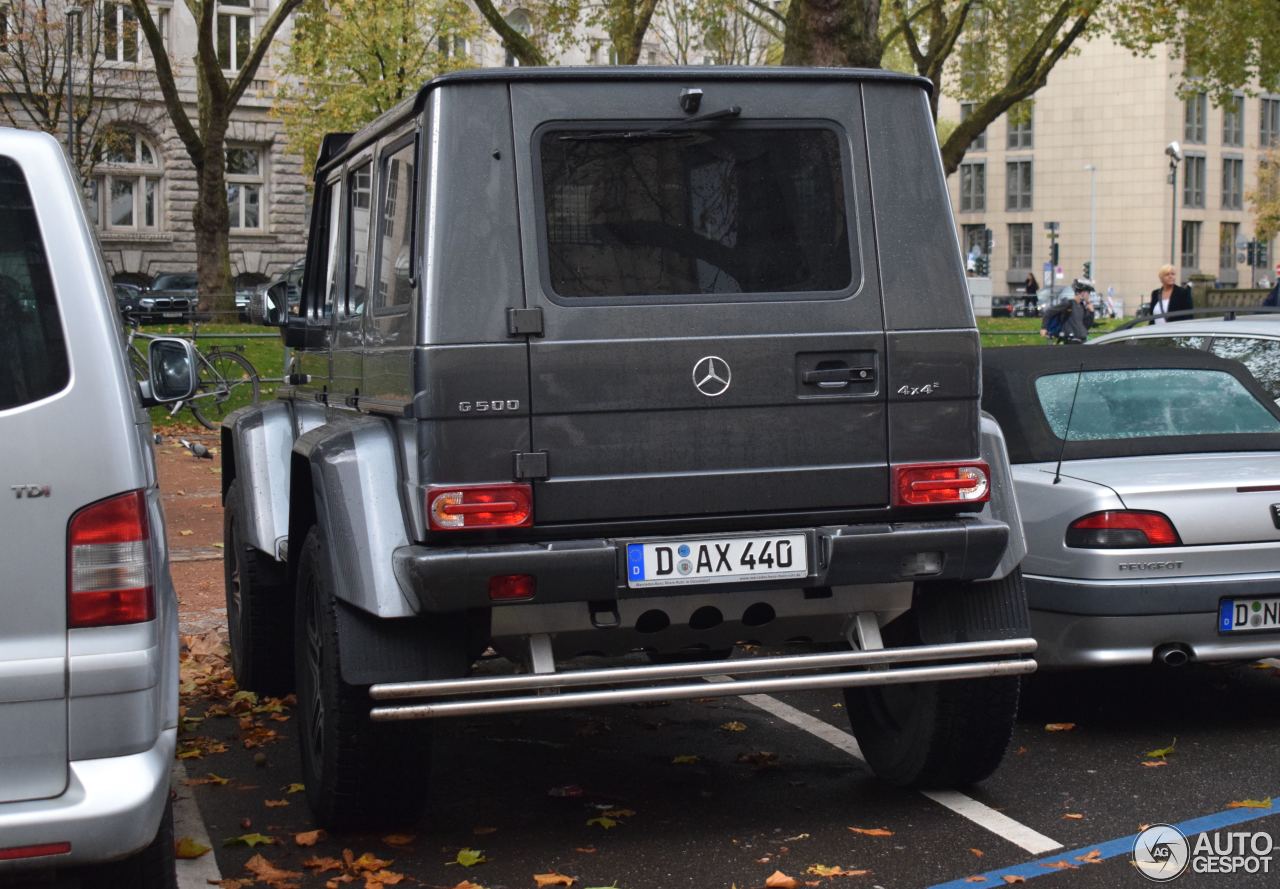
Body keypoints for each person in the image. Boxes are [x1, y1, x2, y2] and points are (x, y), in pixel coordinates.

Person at [1041, 278, 1095, 344]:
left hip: (1081, 341)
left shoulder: (1082, 307)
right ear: (1082, 293)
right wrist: (1044, 327)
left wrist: (1091, 312)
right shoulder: (1068, 304)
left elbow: (1086, 326)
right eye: (1088, 292)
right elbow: (1049, 312)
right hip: (1070, 341)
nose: (1089, 295)